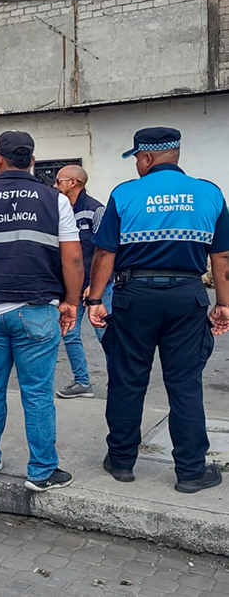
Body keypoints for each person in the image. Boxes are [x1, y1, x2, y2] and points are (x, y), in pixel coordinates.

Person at [87, 127, 229, 494]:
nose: (136, 164)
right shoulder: (210, 194)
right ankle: (191, 472)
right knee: (184, 384)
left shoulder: (125, 194)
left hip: (136, 295)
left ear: (147, 157)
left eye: (136, 157)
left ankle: (121, 461)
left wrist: (95, 299)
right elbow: (222, 257)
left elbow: (105, 253)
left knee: (127, 378)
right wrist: (224, 304)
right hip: (187, 296)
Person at [0, 131, 84, 492]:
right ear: (32, 161)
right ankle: (41, 471)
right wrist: (71, 301)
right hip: (36, 309)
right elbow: (72, 256)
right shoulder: (54, 200)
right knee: (37, 392)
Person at [53, 165, 113, 399]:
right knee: (69, 333)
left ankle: (116, 382)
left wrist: (96, 285)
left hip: (98, 287)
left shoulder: (96, 211)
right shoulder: (59, 211)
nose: (55, 186)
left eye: (59, 181)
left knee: (105, 335)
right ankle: (82, 382)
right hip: (72, 288)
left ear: (74, 183)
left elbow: (106, 251)